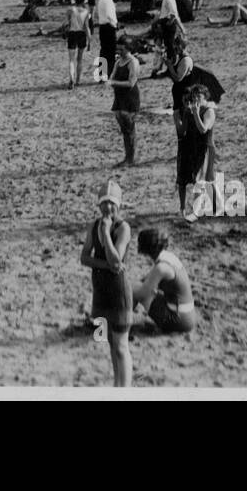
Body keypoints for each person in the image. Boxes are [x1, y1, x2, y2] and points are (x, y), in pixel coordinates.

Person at [80, 180, 133, 387]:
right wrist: (106, 265)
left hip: (119, 293)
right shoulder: (93, 226)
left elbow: (116, 260)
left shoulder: (123, 228)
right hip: (101, 291)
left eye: (112, 203)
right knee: (110, 342)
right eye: (104, 203)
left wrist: (106, 232)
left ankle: (125, 390)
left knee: (121, 346)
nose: (108, 208)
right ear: (99, 205)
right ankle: (116, 388)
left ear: (118, 206)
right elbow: (84, 257)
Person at [131, 228, 196, 334]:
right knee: (140, 287)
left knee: (134, 290)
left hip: (178, 320)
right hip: (188, 316)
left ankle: (124, 323)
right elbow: (146, 280)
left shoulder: (161, 268)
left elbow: (143, 293)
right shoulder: (169, 257)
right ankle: (128, 319)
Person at [176, 82, 219, 222]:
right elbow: (183, 132)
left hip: (206, 148)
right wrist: (181, 116)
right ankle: (219, 206)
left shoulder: (209, 111)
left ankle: (196, 212)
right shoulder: (192, 110)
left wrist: (195, 113)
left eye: (199, 96)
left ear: (205, 96)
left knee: (199, 180)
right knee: (208, 179)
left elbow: (203, 129)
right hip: (194, 148)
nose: (196, 99)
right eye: (194, 96)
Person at [109, 36, 140, 167]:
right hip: (119, 97)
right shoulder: (118, 61)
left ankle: (130, 158)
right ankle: (128, 157)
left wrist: (114, 82)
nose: (118, 51)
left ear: (127, 48)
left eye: (121, 49)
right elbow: (112, 77)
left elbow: (131, 82)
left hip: (129, 98)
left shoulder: (133, 62)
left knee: (129, 129)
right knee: (124, 129)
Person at [64, 0, 92, 89]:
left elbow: (66, 23)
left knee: (71, 59)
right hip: (82, 34)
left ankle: (71, 78)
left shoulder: (71, 10)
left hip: (72, 33)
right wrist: (89, 40)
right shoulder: (86, 11)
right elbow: (87, 27)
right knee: (79, 59)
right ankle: (78, 80)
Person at [93, 0, 119, 82]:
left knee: (104, 51)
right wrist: (115, 24)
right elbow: (109, 15)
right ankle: (108, 74)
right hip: (109, 27)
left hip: (103, 27)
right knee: (111, 52)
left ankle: (101, 74)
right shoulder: (108, 0)